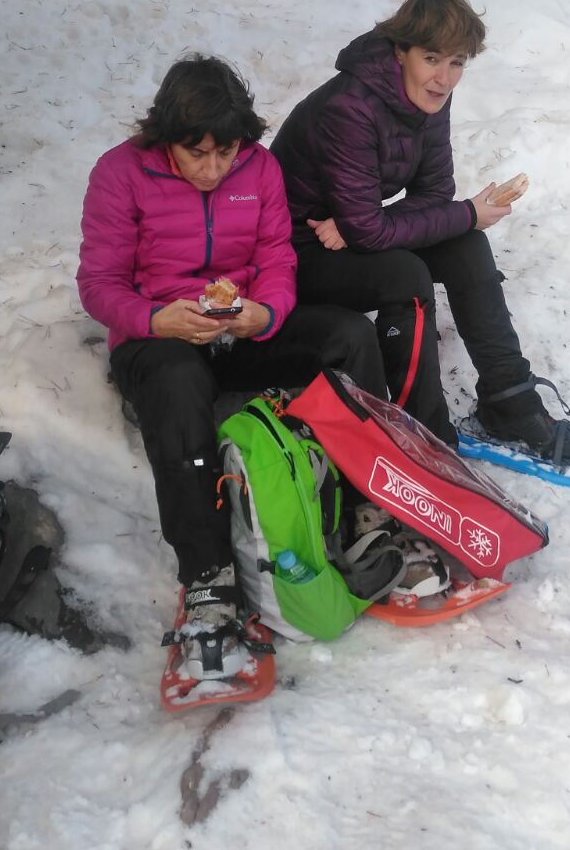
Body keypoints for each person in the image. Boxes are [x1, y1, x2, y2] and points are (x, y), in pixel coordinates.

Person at [77, 54, 387, 678]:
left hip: (239, 327)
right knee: (178, 379)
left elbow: (277, 259)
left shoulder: (260, 168)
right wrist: (155, 319)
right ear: (167, 138)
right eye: (197, 154)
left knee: (351, 336)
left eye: (226, 152)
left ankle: (369, 508)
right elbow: (99, 284)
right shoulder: (120, 172)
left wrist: (265, 313)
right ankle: (207, 575)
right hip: (159, 337)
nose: (213, 168)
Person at [271, 0, 570, 466]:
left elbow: (434, 195)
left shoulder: (429, 97)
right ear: (400, 51)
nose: (444, 77)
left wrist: (364, 222)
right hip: (295, 255)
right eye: (432, 58)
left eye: (457, 63)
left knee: (466, 244)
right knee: (406, 272)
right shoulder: (350, 107)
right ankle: (422, 430)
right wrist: (376, 223)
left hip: (348, 236)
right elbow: (380, 229)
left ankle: (509, 400)